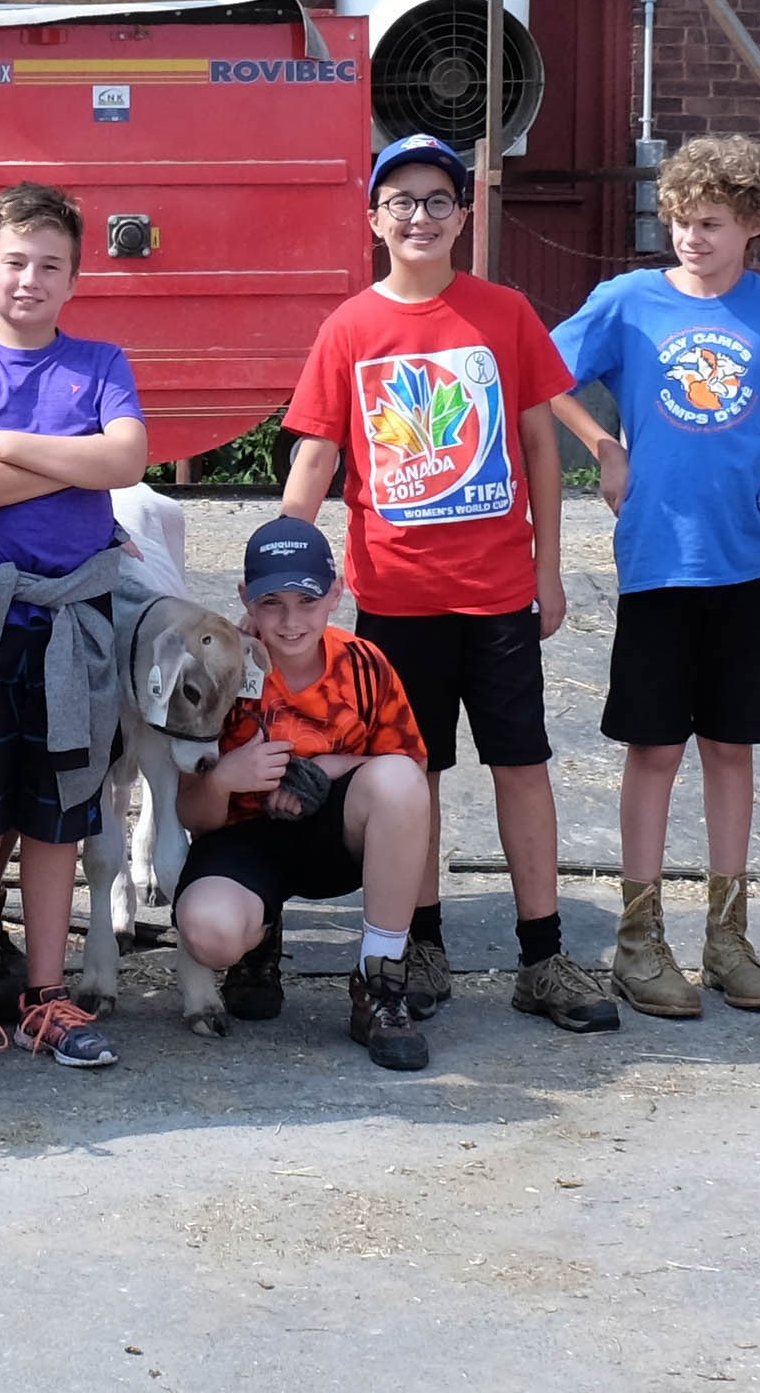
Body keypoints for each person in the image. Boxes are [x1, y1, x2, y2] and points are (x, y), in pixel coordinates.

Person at [274, 132, 614, 1032]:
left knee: (522, 765)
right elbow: (316, 455)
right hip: (394, 596)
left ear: (464, 215)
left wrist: (548, 566)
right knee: (409, 772)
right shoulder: (349, 326)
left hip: (498, 595)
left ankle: (541, 955)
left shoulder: (502, 313)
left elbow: (540, 443)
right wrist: (280, 573)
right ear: (374, 218)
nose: (419, 217)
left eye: (437, 201)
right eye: (401, 202)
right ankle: (417, 940)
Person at [552, 134, 760, 1023]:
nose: (690, 238)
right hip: (657, 566)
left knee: (732, 749)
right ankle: (639, 939)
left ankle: (728, 936)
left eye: (709, 223)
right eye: (677, 221)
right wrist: (602, 445)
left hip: (745, 561)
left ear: (752, 224)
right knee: (654, 749)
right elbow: (541, 372)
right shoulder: (626, 302)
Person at [0, 181, 152, 1077]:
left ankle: (48, 994)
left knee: (58, 820)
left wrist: (2, 447)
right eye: (15, 261)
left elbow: (125, 457)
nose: (30, 279)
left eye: (51, 265)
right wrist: (67, 468)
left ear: (76, 277)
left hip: (72, 633)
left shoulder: (100, 362)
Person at [173, 518, 443, 1072]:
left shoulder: (365, 663)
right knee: (209, 933)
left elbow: (410, 773)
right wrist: (226, 776)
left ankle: (380, 979)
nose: (290, 620)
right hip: (242, 839)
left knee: (398, 783)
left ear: (336, 594)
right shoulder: (216, 669)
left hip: (332, 836)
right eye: (271, 602)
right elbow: (188, 809)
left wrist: (336, 764)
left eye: (306, 599)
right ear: (245, 597)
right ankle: (258, 940)